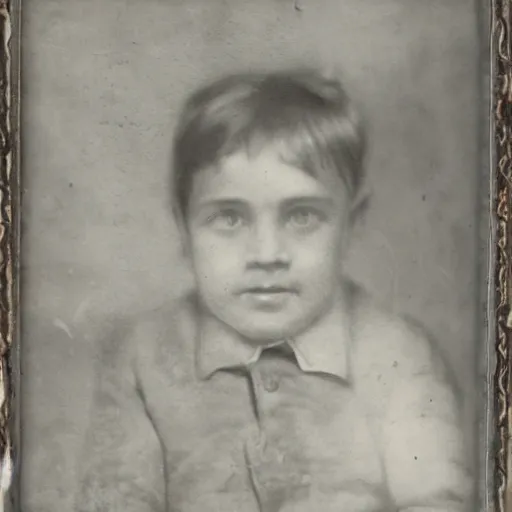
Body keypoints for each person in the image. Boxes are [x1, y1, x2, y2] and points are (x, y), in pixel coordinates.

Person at [75, 68, 473, 512]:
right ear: (183, 228)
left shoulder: (396, 354)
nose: (267, 253)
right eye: (229, 217)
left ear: (352, 224)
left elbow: (438, 501)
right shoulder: (142, 357)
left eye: (301, 216)